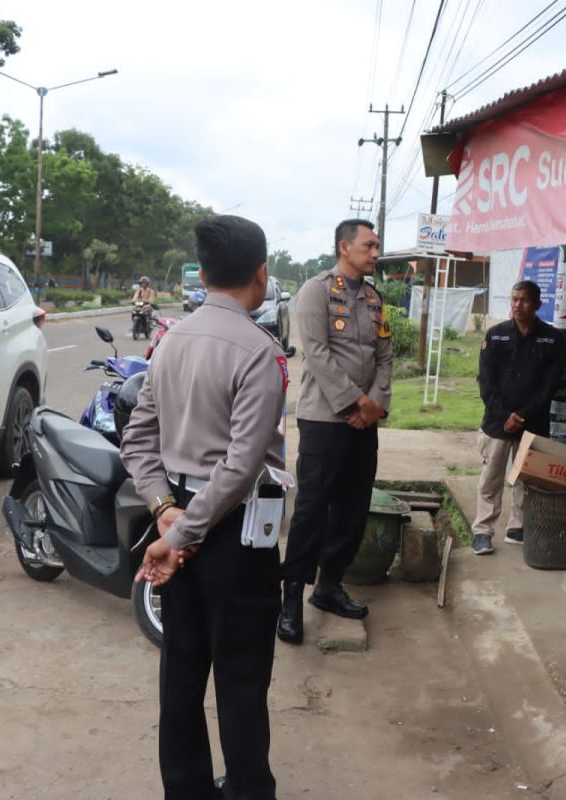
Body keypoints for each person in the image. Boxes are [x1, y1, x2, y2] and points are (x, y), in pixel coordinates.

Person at [121, 214, 286, 800]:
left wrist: (167, 512)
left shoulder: (170, 341)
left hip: (180, 518)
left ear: (206, 273)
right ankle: (246, 790)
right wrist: (181, 532)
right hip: (234, 529)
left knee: (181, 670)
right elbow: (241, 467)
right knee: (241, 678)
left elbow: (137, 439)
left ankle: (187, 789)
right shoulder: (259, 352)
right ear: (260, 274)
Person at [277, 219, 392, 645]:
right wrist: (355, 402)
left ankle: (329, 585)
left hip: (365, 421)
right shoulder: (316, 291)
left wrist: (375, 405)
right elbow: (318, 354)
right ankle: (291, 596)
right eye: (370, 245)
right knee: (311, 510)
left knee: (353, 507)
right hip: (325, 420)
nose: (376, 252)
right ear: (345, 247)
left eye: (377, 245)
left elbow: (384, 356)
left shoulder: (374, 298)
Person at [472, 280, 564, 554]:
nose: (517, 305)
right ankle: (483, 531)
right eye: (514, 299)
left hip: (532, 423)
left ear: (537, 304)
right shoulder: (496, 335)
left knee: (527, 477)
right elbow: (486, 383)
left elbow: (549, 386)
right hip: (496, 424)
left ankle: (518, 527)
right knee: (491, 479)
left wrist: (521, 416)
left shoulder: (551, 339)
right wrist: (505, 417)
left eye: (524, 300)